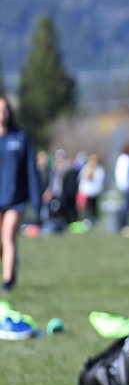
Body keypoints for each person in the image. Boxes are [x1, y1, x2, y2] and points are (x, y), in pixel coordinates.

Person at [0, 95, 42, 291]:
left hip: (15, 199)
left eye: (4, 109)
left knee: (8, 236)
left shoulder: (20, 137)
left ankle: (8, 281)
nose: (2, 113)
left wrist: (36, 202)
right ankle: (12, 261)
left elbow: (31, 171)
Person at [113, 141, 129, 232]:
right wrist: (125, 185)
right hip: (127, 186)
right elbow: (123, 174)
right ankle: (123, 225)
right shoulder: (123, 159)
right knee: (126, 206)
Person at [77, 152, 105, 226]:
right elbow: (81, 179)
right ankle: (87, 219)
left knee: (94, 206)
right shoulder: (86, 168)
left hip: (94, 192)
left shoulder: (99, 169)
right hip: (86, 192)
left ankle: (94, 219)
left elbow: (100, 180)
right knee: (87, 207)